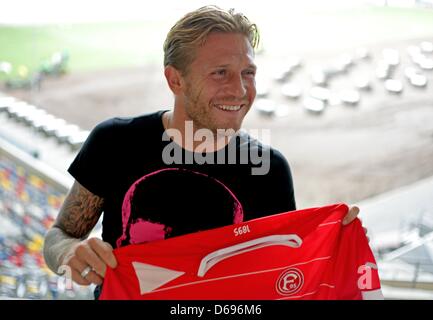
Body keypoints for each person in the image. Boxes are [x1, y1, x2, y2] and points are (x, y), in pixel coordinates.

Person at [43, 5, 364, 295]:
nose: (240, 90)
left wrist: (331, 244)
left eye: (248, 73)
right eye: (220, 72)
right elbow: (59, 236)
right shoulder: (115, 142)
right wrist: (69, 254)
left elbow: (280, 273)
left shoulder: (269, 169)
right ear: (175, 80)